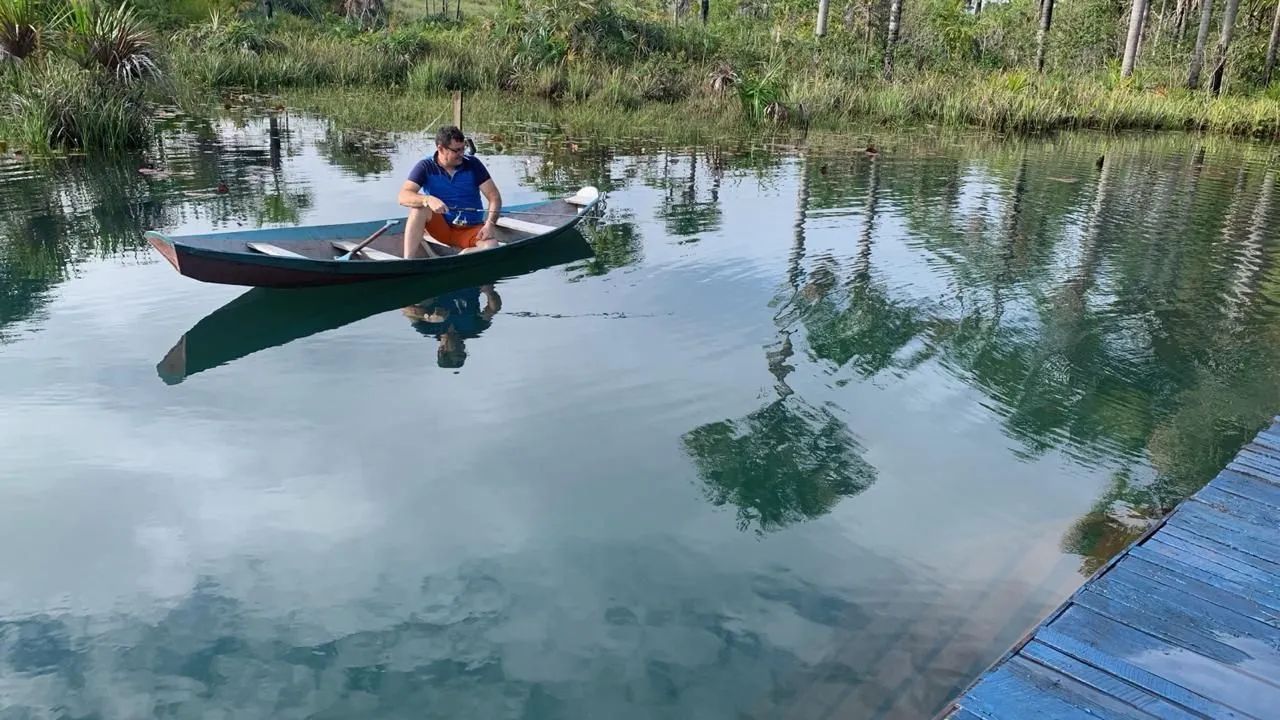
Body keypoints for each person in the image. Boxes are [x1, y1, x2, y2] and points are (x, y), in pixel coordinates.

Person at [397, 126, 502, 258]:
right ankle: (409, 261)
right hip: (442, 229)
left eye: (463, 148)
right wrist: (428, 199)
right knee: (418, 208)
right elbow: (403, 196)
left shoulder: (473, 164)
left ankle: (463, 256)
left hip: (470, 229)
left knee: (491, 246)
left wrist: (489, 224)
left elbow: (494, 197)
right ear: (441, 148)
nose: (462, 154)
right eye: (456, 150)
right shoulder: (425, 166)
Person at [402, 284, 502, 369]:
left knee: (421, 303)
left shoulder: (427, 328)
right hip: (469, 282)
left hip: (437, 284)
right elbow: (493, 310)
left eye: (458, 353)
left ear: (442, 350)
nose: (463, 348)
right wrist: (490, 292)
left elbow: (405, 309)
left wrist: (429, 317)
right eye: (464, 352)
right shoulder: (475, 329)